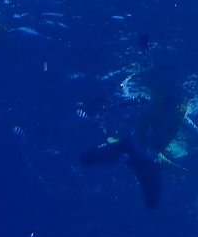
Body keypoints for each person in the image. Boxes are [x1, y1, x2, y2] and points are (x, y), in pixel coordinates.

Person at [79, 70, 188, 209]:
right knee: (152, 200)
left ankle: (104, 140)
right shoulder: (173, 110)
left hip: (139, 150)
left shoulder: (171, 111)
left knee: (152, 200)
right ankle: (104, 141)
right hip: (141, 151)